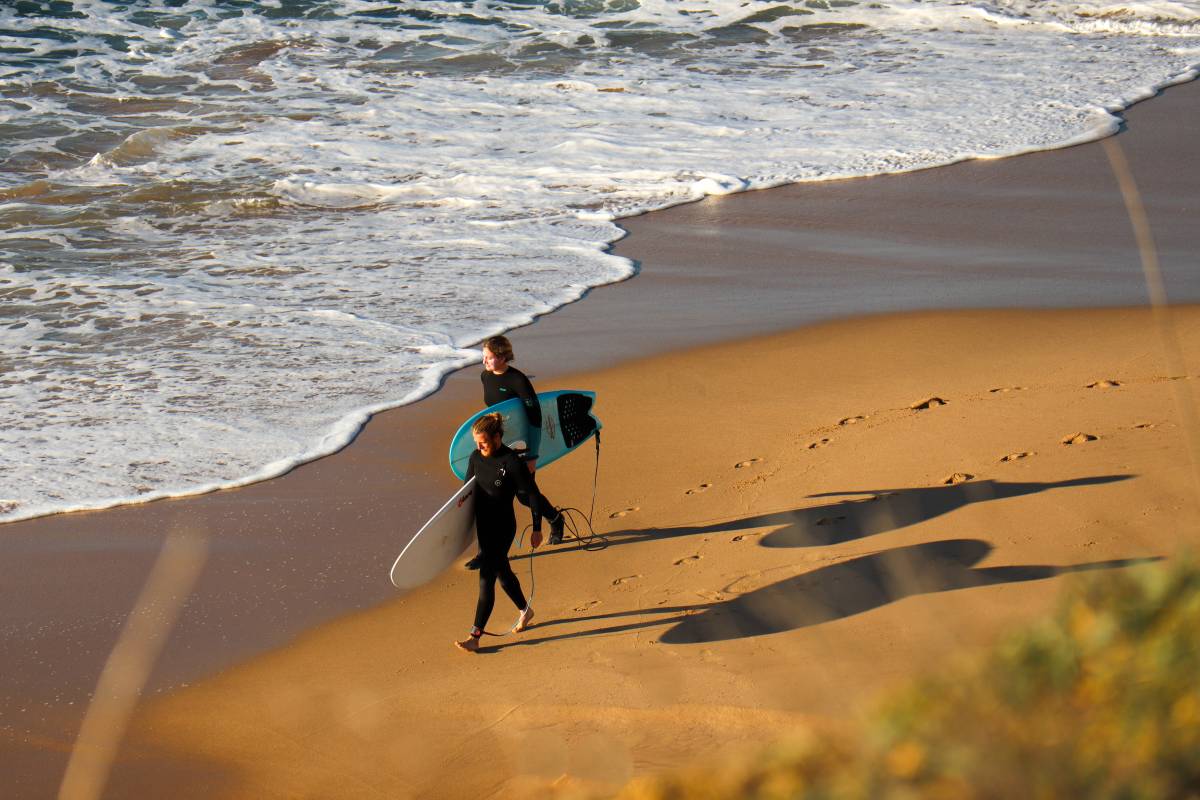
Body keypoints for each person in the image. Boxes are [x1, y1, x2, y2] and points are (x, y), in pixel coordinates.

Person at [464, 335, 565, 571]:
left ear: (501, 357)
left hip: (518, 448)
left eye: (488, 358)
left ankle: (555, 519)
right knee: (489, 498)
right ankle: (485, 552)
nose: (484, 362)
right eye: (483, 357)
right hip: (497, 445)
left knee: (523, 496)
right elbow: (495, 412)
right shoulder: (485, 376)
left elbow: (535, 418)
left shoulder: (518, 381)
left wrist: (532, 455)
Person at [455, 412, 541, 653]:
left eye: (483, 442)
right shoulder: (475, 457)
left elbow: (533, 494)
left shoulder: (511, 462)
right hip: (484, 527)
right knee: (504, 574)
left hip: (503, 529)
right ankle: (526, 610)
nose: (479, 446)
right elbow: (466, 492)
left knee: (486, 580)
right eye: (477, 443)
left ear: (496, 437)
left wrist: (536, 528)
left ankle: (474, 636)